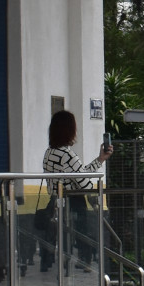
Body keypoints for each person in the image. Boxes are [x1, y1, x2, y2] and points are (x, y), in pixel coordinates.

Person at [41, 108, 111, 269]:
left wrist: (100, 159)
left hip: (55, 201)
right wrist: (98, 165)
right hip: (72, 201)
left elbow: (79, 173)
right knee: (80, 232)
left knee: (56, 234)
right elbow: (84, 182)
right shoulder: (67, 154)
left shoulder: (49, 152)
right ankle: (82, 261)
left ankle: (49, 262)